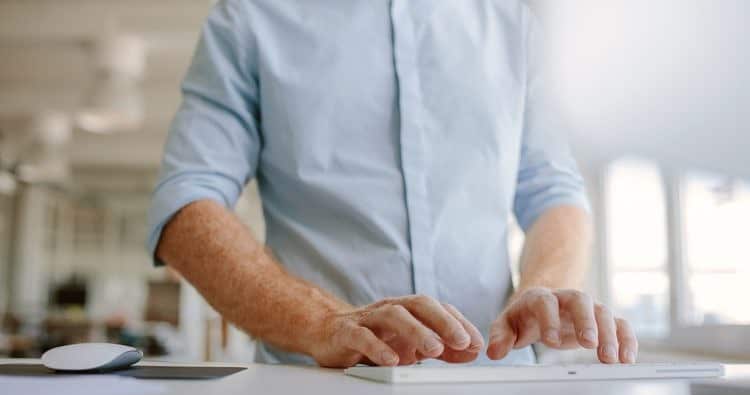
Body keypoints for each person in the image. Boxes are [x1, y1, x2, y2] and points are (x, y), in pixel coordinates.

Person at [147, 0, 638, 368]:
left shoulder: (514, 26)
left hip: (496, 392)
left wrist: (545, 288)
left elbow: (555, 191)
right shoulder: (252, 18)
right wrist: (324, 324)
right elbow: (186, 203)